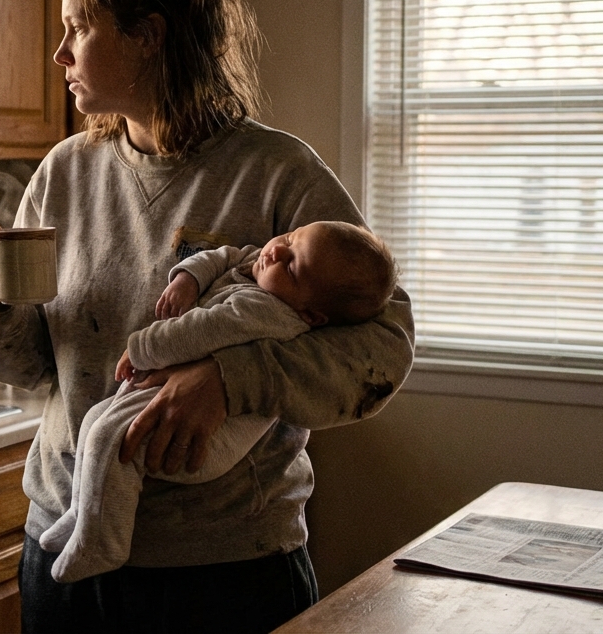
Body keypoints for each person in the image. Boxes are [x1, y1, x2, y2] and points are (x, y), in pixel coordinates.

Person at [0, 0, 415, 634]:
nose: (60, 54)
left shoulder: (278, 175)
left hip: (224, 568)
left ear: (147, 36)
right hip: (61, 544)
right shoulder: (62, 174)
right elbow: (29, 368)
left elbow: (384, 350)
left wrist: (234, 381)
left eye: (79, 27)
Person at [41, 221, 397, 584]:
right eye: (289, 239)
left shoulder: (266, 309)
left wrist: (141, 348)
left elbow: (200, 330)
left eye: (290, 266)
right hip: (161, 396)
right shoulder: (262, 267)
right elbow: (227, 255)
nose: (275, 252)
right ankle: (83, 514)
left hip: (209, 441)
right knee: (95, 421)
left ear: (311, 315)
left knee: (111, 442)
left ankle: (102, 544)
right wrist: (187, 279)